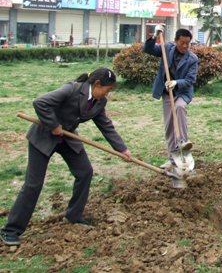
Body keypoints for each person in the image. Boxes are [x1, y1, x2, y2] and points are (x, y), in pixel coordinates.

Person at [0, 69, 131, 247]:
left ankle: (73, 216)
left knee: (85, 172)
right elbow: (40, 102)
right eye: (107, 90)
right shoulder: (71, 89)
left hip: (67, 138)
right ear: (97, 84)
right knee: (33, 184)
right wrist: (53, 125)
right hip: (44, 137)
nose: (107, 94)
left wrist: (122, 149)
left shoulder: (100, 102)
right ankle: (10, 230)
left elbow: (106, 126)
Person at [143, 26, 198, 169]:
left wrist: (176, 82)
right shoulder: (167, 48)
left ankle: (183, 142)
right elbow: (148, 49)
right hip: (167, 93)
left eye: (188, 43)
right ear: (176, 40)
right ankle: (172, 158)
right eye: (182, 42)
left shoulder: (192, 59)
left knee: (179, 107)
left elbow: (190, 80)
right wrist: (155, 36)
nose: (185, 46)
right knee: (170, 127)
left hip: (182, 93)